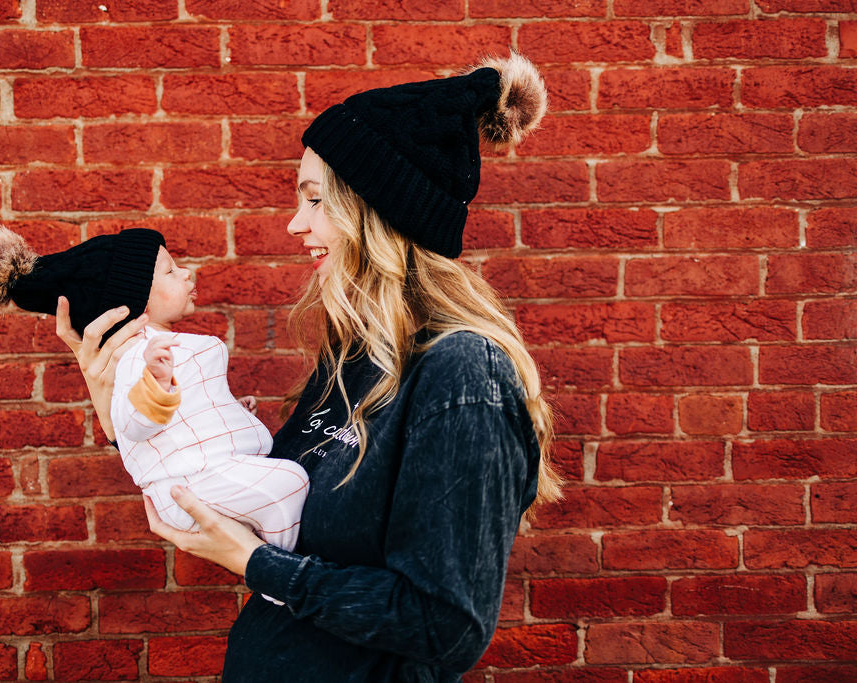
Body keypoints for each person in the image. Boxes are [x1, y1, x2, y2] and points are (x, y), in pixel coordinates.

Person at [57, 51, 563, 681]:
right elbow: (235, 477)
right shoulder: (356, 357)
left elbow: (445, 625)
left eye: (316, 200)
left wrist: (258, 566)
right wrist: (123, 409)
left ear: (379, 213)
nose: (296, 224)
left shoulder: (461, 375)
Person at [0, 227, 309, 552]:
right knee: (287, 486)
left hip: (212, 474)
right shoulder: (140, 354)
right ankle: (278, 579)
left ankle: (277, 565)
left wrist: (228, 409)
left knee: (283, 489)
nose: (186, 273)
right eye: (169, 270)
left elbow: (182, 414)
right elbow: (136, 421)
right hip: (192, 485)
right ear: (133, 304)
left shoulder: (159, 350)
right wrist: (155, 383)